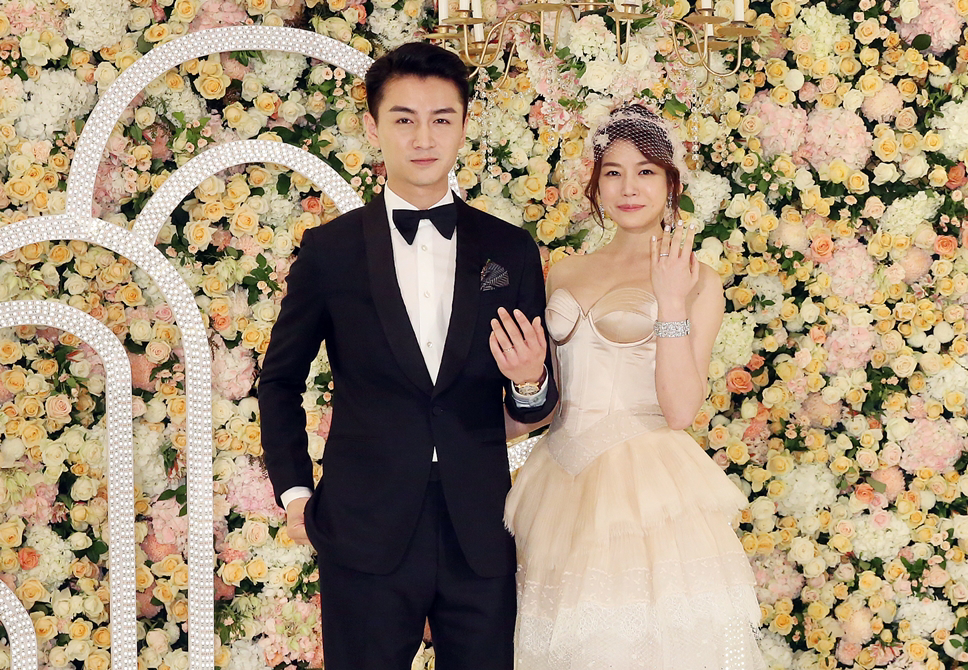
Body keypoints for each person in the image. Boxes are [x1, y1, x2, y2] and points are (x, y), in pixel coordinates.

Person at [258, 41, 558, 670]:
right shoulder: (329, 251)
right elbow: (280, 380)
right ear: (373, 127)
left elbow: (538, 403)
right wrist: (295, 493)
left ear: (464, 126)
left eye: (441, 119)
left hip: (479, 529)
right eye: (404, 119)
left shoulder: (510, 249)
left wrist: (530, 381)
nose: (424, 138)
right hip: (361, 526)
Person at [504, 105, 766, 669]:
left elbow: (680, 410)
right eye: (614, 172)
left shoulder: (698, 280)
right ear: (596, 185)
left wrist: (670, 301)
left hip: (647, 484)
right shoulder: (564, 271)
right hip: (559, 479)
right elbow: (543, 398)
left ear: (671, 184)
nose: (629, 187)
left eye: (646, 171)